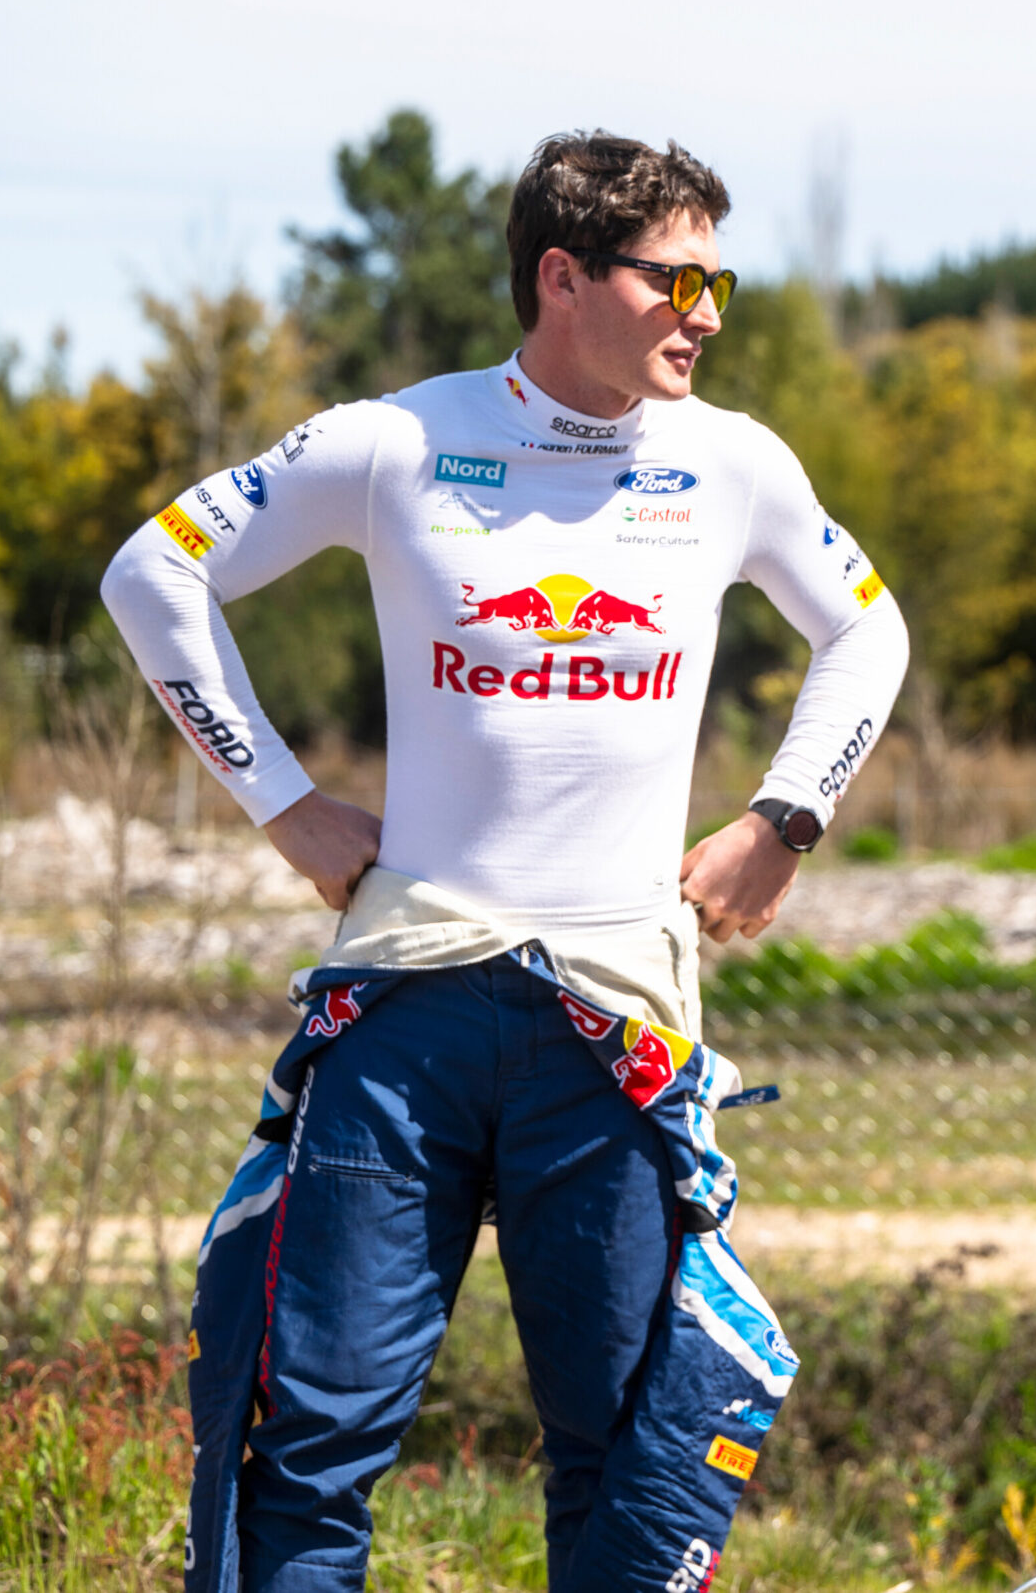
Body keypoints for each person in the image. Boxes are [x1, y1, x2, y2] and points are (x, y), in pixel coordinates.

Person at [102, 131, 908, 1592]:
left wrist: (781, 820)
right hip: (405, 1007)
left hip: (614, 1020)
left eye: (719, 279)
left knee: (620, 1457)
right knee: (309, 1446)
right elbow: (151, 570)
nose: (710, 313)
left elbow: (872, 628)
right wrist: (284, 803)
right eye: (678, 278)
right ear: (562, 277)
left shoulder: (732, 461)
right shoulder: (396, 438)